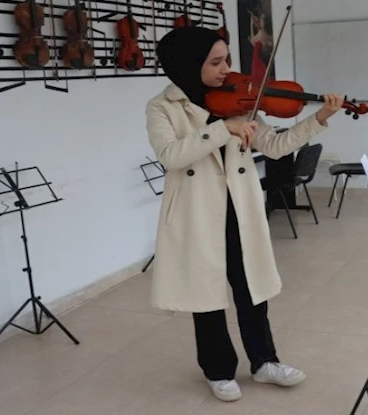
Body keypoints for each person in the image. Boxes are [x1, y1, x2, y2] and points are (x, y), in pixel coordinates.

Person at [145, 26, 345, 403]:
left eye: (228, 60)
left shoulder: (241, 100)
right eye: (215, 62)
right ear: (189, 64)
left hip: (239, 207)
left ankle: (265, 361)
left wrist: (318, 120)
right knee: (205, 295)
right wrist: (222, 129)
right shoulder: (162, 106)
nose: (226, 70)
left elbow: (274, 145)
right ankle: (218, 370)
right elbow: (171, 156)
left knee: (250, 287)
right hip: (197, 213)